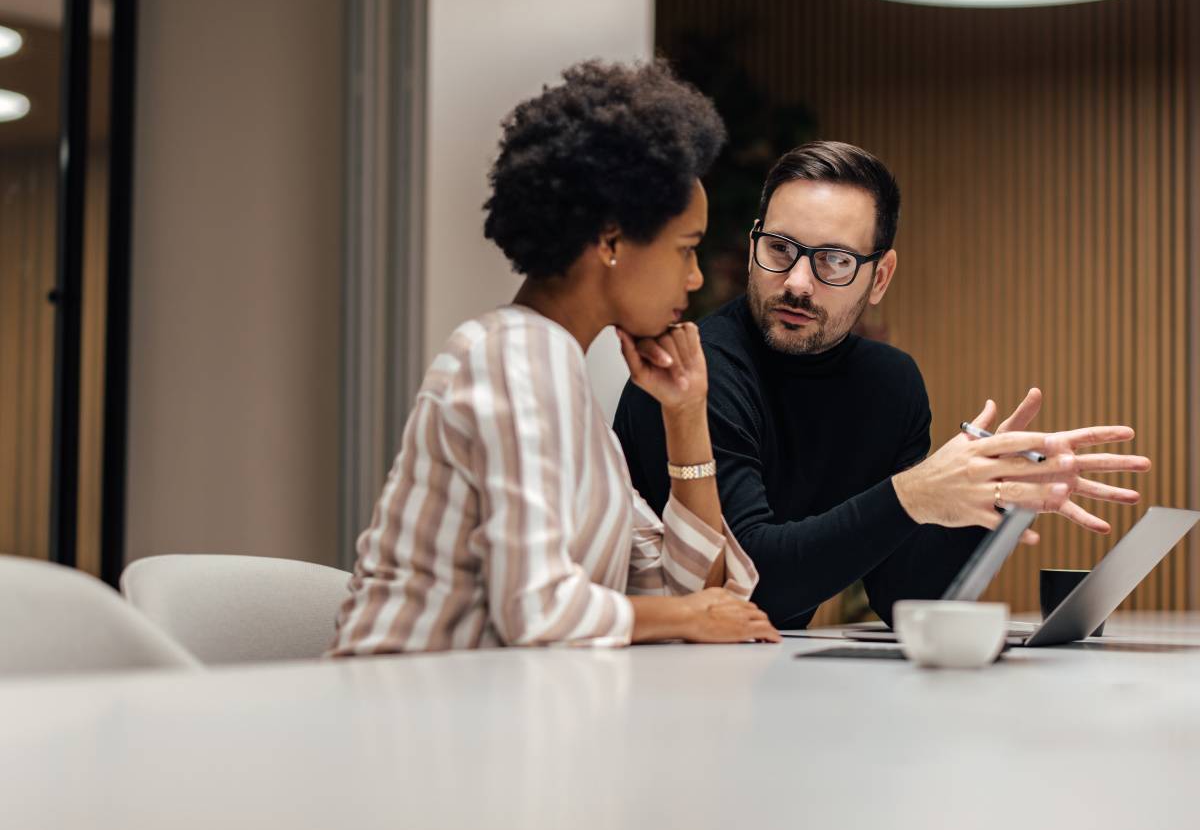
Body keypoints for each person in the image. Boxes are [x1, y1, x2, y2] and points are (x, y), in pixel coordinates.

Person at [329, 59, 780, 655]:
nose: (695, 278)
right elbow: (536, 609)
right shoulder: (513, 357)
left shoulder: (560, 373)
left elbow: (689, 588)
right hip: (400, 717)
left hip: (488, 714)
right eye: (686, 249)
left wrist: (687, 415)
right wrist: (688, 615)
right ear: (611, 240)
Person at [613, 141, 1151, 630]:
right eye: (779, 249)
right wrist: (914, 495)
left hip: (765, 677)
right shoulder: (690, 373)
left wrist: (985, 499)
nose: (798, 282)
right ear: (754, 242)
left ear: (881, 277)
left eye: (834, 261)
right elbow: (747, 589)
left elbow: (904, 597)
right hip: (641, 672)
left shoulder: (889, 385)